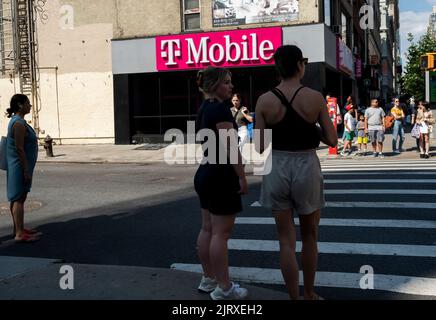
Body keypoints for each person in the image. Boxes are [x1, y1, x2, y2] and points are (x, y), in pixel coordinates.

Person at [255, 45, 337, 300]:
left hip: (277, 165)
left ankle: (293, 297)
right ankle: (309, 293)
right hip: (306, 166)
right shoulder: (314, 97)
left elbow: (259, 147)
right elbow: (332, 139)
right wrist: (311, 130)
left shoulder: (264, 100)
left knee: (285, 241)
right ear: (300, 65)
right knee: (310, 236)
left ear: (277, 68)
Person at [194, 67, 248, 300]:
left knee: (208, 229)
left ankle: (209, 279)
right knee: (220, 235)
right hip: (221, 175)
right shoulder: (220, 110)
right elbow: (229, 147)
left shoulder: (205, 108)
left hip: (205, 172)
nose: (231, 86)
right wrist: (242, 175)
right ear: (215, 85)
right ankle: (224, 288)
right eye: (226, 82)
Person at [6, 94, 39, 243]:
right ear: (20, 105)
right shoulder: (18, 124)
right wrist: (25, 170)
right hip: (19, 166)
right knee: (18, 199)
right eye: (27, 103)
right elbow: (19, 149)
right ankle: (19, 234)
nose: (30, 106)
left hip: (22, 166)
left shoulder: (20, 122)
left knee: (20, 197)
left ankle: (18, 228)